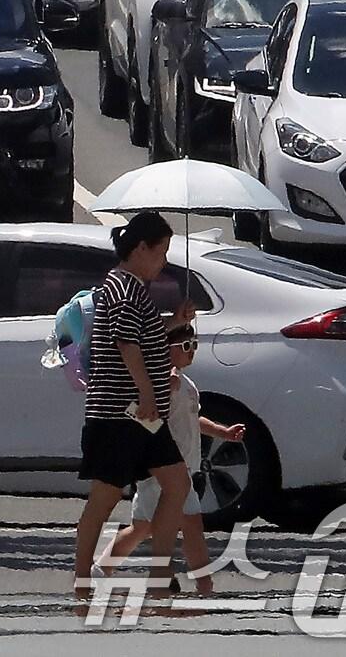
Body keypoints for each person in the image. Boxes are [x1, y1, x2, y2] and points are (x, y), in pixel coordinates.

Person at [73, 211, 196, 600]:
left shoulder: (133, 289)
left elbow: (145, 337)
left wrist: (175, 322)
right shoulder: (124, 289)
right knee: (105, 498)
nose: (164, 261)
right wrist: (146, 392)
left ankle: (160, 574)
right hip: (120, 415)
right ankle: (82, 579)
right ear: (141, 248)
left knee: (177, 484)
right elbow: (127, 344)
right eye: (161, 252)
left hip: (144, 418)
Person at [95, 324, 247, 594]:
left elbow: (192, 418)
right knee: (186, 524)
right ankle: (201, 584)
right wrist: (163, 390)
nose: (192, 351)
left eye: (194, 345)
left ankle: (102, 570)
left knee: (145, 527)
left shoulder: (187, 385)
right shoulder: (155, 382)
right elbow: (137, 415)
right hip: (161, 471)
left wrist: (222, 432)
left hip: (179, 471)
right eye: (186, 346)